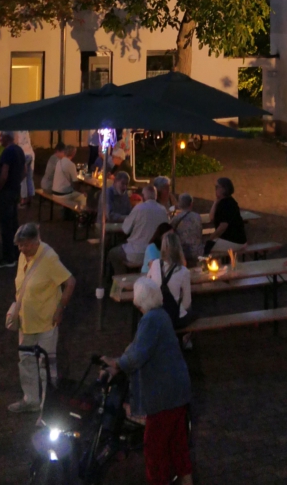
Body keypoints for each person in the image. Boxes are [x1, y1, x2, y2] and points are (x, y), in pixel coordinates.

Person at [102, 278, 193, 485]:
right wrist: (119, 361)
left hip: (164, 397)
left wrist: (117, 365)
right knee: (177, 445)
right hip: (178, 392)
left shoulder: (150, 320)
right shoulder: (161, 316)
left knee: (154, 449)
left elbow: (136, 355)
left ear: (137, 302)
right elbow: (137, 348)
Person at [8, 221, 75, 415]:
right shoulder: (23, 256)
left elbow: (70, 282)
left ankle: (47, 408)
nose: (21, 249)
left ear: (36, 240)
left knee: (46, 366)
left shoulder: (49, 258)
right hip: (26, 322)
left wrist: (60, 309)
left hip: (46, 322)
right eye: (19, 245)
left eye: (25, 245)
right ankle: (31, 400)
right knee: (26, 361)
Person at [109, 183, 168, 275]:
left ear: (143, 197)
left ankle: (121, 279)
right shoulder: (163, 210)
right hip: (156, 253)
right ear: (156, 197)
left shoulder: (139, 208)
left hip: (137, 253)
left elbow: (125, 229)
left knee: (113, 253)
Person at [147, 230, 192, 331]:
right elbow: (187, 302)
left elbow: (149, 283)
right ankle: (187, 341)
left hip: (157, 316)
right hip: (175, 318)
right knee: (192, 311)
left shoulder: (155, 264)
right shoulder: (183, 271)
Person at [0, 131, 26, 268]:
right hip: (15, 190)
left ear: (6, 138)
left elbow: (4, 174)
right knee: (14, 223)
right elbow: (24, 171)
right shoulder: (19, 150)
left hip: (6, 192)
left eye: (0, 136)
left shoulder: (7, 152)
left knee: (6, 225)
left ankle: (8, 258)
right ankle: (16, 252)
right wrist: (16, 181)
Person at [205, 177, 246, 253]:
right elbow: (211, 217)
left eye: (217, 187)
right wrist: (216, 202)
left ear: (224, 189)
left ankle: (204, 263)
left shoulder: (228, 204)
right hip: (231, 239)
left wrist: (212, 237)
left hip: (235, 241)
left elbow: (223, 226)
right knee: (208, 244)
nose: (215, 189)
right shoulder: (222, 202)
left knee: (206, 247)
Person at [170, 193, 204, 266]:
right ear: (191, 204)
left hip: (183, 252)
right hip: (197, 251)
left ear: (179, 205)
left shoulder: (176, 218)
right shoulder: (197, 217)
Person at [16, 130, 35, 207]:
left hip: (22, 154)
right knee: (29, 178)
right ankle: (30, 198)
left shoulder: (15, 130)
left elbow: (16, 142)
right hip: (30, 153)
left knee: (22, 178)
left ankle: (23, 200)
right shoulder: (25, 130)